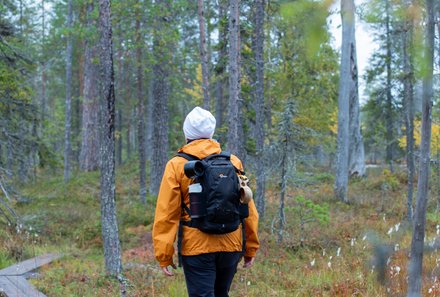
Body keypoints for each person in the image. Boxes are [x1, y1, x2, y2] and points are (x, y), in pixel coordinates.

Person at [152, 106, 260, 297]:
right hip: (231, 244)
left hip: (196, 248)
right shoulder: (233, 162)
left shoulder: (177, 165)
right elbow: (247, 205)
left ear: (187, 133)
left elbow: (167, 214)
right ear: (211, 132)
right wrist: (250, 247)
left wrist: (164, 255)